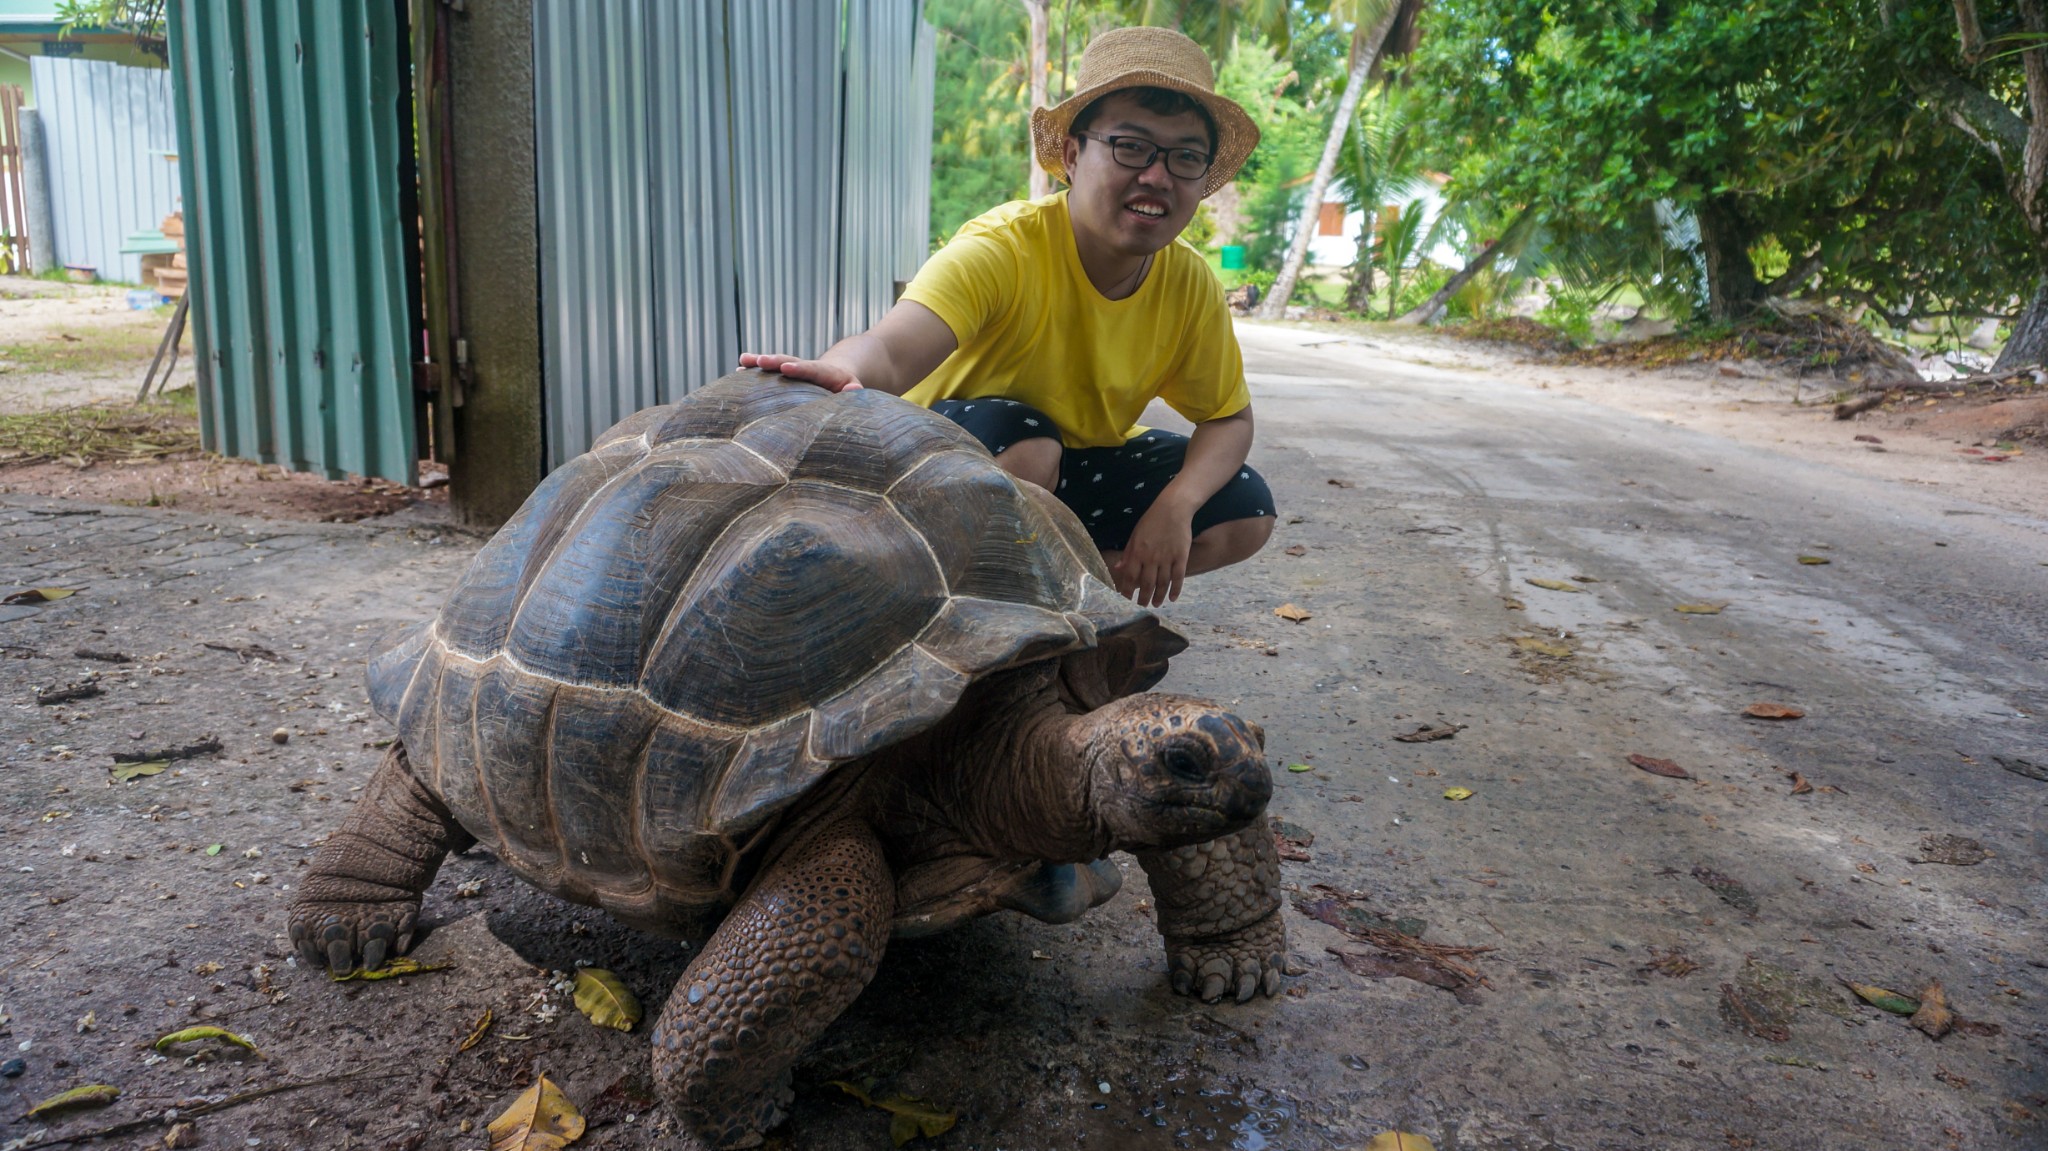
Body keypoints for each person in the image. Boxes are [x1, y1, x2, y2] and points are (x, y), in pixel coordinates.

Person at [742, 26, 1274, 608]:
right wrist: (836, 370)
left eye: (1185, 157)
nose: (1156, 175)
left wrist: (1175, 508)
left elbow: (1229, 421)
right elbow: (890, 350)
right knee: (1030, 443)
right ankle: (956, 608)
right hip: (928, 477)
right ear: (1073, 155)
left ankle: (1072, 594)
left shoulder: (1189, 282)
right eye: (1131, 146)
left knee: (1242, 509)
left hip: (1070, 474)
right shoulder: (1003, 247)